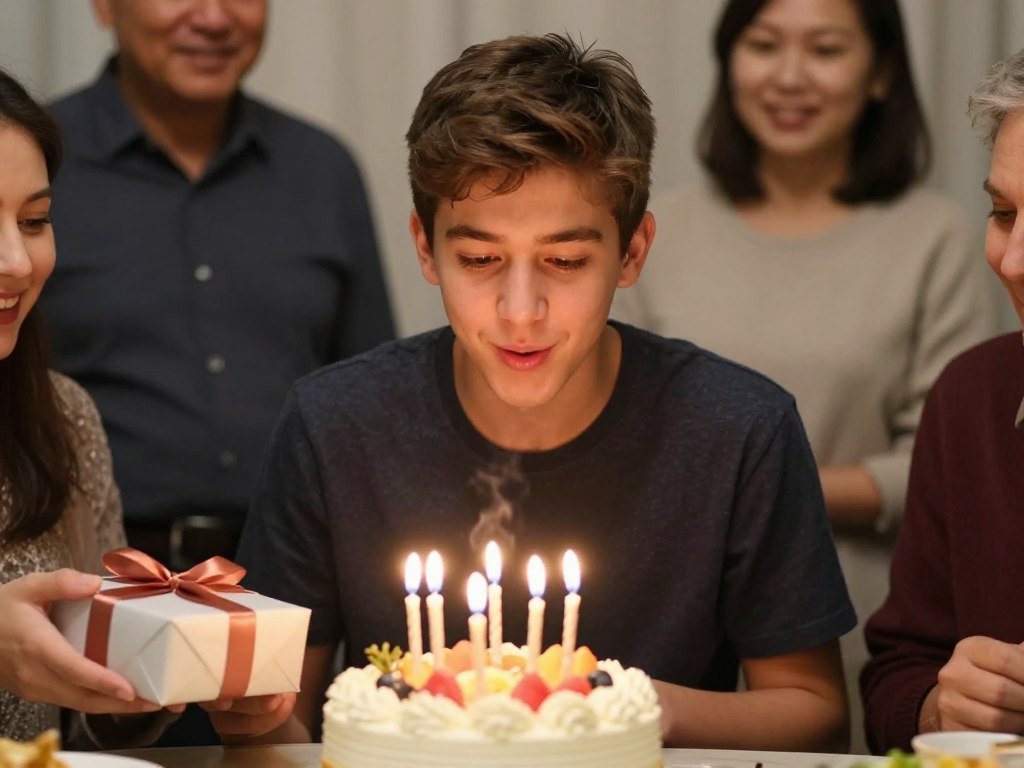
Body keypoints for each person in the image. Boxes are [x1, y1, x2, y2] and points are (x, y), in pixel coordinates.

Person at [201, 33, 856, 750]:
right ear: (425, 248)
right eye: (480, 258)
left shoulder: (738, 431)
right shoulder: (336, 425)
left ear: (632, 252)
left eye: (566, 259)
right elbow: (279, 722)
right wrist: (248, 709)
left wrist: (626, 710)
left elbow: (815, 711)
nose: (521, 310)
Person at [611, 0, 997, 749]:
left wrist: (769, 482)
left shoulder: (939, 238)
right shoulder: (660, 231)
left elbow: (958, 461)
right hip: (678, 626)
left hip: (857, 620)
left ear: (881, 71)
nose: (789, 77)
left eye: (825, 49)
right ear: (729, 61)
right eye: (763, 45)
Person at [39, 0, 395, 571]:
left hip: (291, 577)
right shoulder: (36, 165)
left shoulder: (321, 169)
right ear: (104, 6)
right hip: (93, 576)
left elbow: (372, 404)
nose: (213, 18)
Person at [0, 67, 177, 744]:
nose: (16, 260)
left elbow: (86, 722)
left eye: (35, 221)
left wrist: (157, 679)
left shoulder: (64, 417)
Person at [861, 49, 1024, 752]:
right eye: (1002, 213)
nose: (1012, 261)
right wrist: (939, 708)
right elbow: (897, 670)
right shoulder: (974, 398)